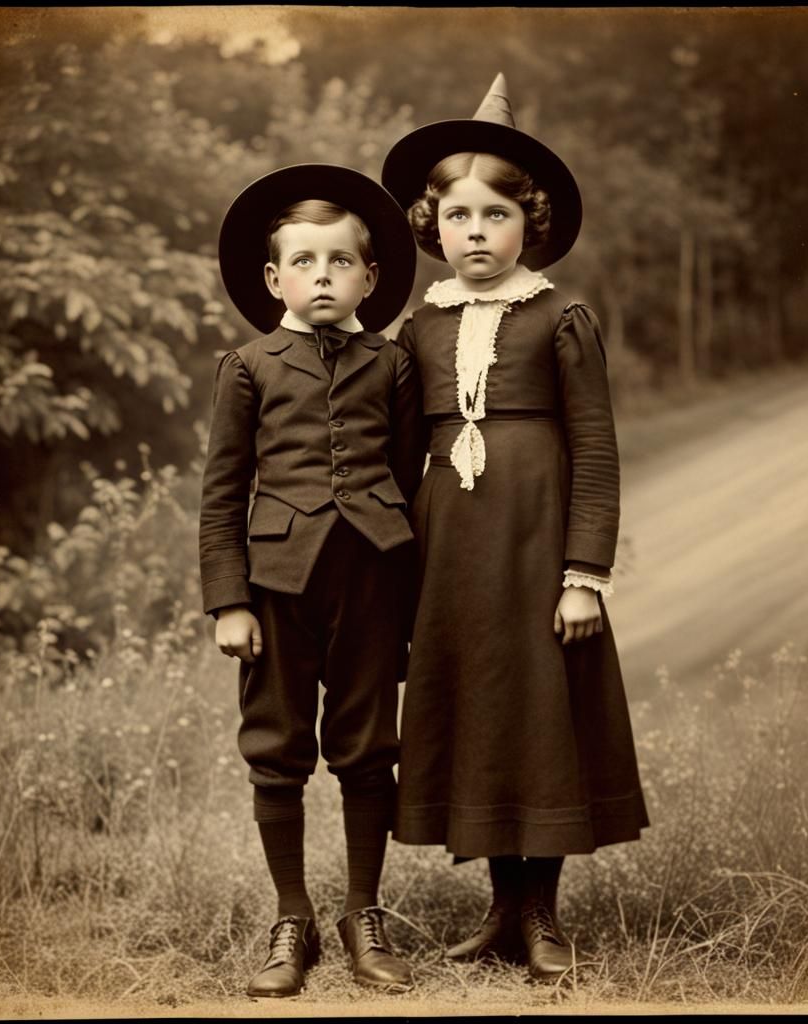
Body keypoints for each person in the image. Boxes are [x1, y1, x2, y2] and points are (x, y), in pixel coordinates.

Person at [381, 74, 650, 982]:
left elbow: (599, 454)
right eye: (457, 217)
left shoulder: (560, 317)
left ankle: (543, 913)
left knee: (539, 712)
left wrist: (584, 574)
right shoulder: (421, 324)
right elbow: (394, 443)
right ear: (433, 227)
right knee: (482, 709)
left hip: (538, 546)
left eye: (495, 215)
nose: (475, 234)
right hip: (453, 551)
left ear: (529, 224)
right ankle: (500, 908)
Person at [199, 164, 426, 998]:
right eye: (303, 262)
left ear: (370, 276)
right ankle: (291, 917)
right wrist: (229, 601)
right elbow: (222, 492)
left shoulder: (393, 364)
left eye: (338, 263)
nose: (320, 277)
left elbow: (406, 478)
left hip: (371, 578)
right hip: (276, 587)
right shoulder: (249, 366)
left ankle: (363, 915)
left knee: (369, 750)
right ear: (273, 278)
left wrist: (409, 596)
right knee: (277, 748)